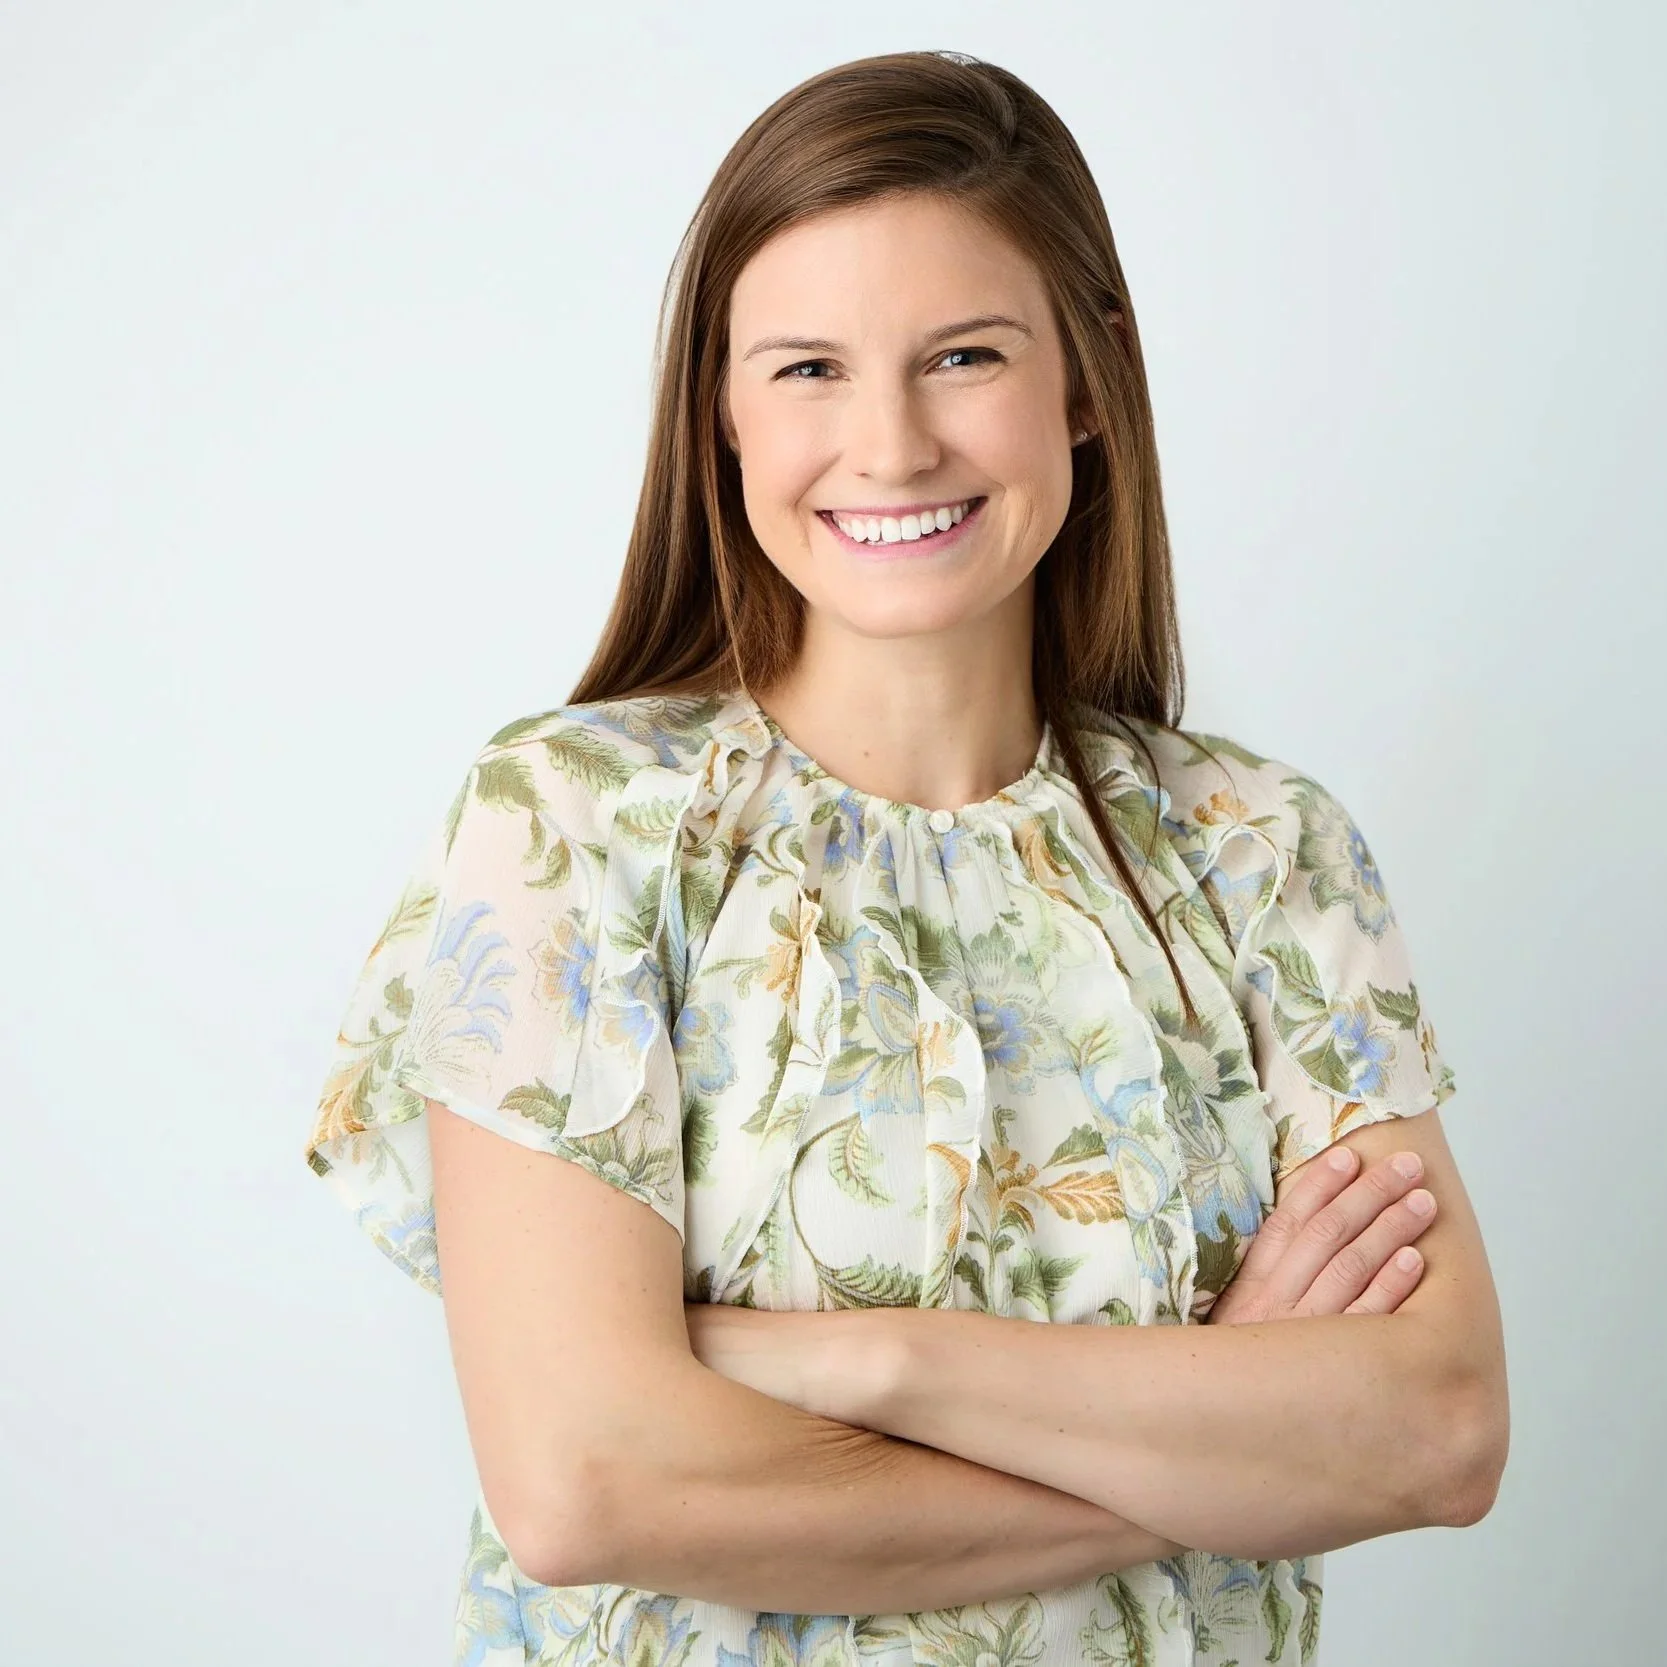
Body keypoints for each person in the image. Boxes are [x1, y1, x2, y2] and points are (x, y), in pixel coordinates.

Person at [304, 49, 1507, 1666]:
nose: (888, 443)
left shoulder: (1263, 854)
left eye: (961, 355)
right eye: (806, 368)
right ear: (719, 411)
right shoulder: (574, 828)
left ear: (1084, 378)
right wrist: (1226, 1442)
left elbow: (1432, 1429)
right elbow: (587, 1479)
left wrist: (866, 1368)